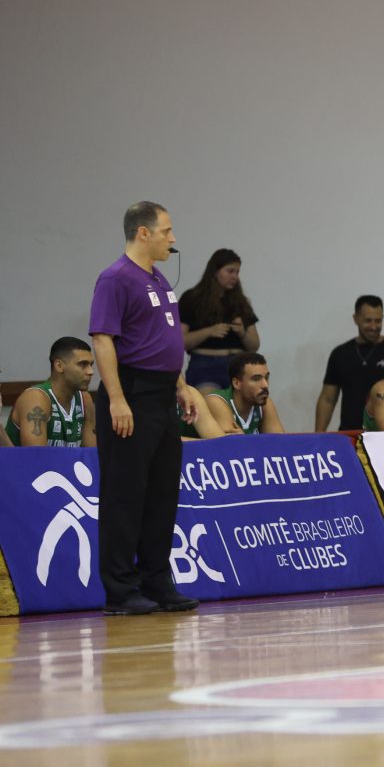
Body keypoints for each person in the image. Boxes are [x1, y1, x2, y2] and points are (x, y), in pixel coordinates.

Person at [89, 201, 199, 616]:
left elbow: (162, 341)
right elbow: (103, 339)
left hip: (163, 394)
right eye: (167, 231)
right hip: (132, 393)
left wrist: (181, 385)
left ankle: (157, 581)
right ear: (143, 233)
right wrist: (117, 398)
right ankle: (120, 589)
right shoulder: (115, 278)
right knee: (125, 495)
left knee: (161, 493)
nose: (173, 238)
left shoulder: (158, 279)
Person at [314, 295, 384, 432]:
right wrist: (318, 435)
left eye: (378, 321)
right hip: (349, 434)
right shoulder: (340, 354)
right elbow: (328, 399)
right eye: (368, 321)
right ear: (355, 318)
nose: (373, 326)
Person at [178, 248, 260, 394]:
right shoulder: (192, 299)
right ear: (215, 271)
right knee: (212, 404)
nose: (235, 277)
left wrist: (242, 333)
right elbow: (179, 341)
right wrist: (208, 332)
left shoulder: (241, 302)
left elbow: (254, 345)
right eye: (230, 271)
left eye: (237, 272)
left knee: (252, 403)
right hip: (205, 365)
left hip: (238, 365)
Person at [5, 337, 98, 447]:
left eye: (91, 365)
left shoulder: (85, 400)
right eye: (83, 364)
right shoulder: (36, 398)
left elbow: (91, 454)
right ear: (59, 366)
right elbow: (36, 455)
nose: (91, 371)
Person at [206, 353, 285, 435]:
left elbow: (280, 441)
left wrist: (245, 438)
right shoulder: (216, 401)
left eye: (266, 377)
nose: (265, 385)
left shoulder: (265, 404)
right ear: (236, 383)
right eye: (256, 379)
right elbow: (231, 442)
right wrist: (249, 440)